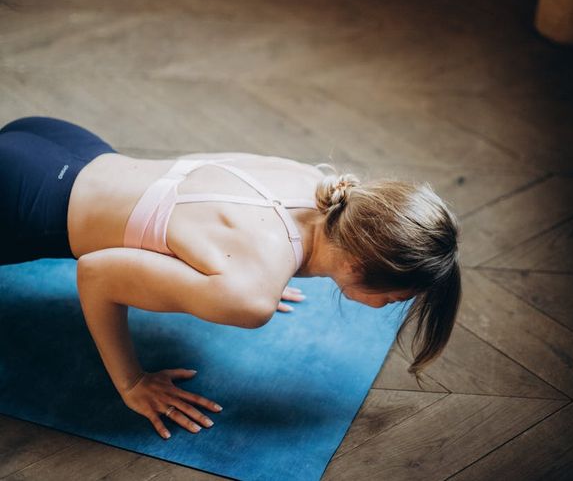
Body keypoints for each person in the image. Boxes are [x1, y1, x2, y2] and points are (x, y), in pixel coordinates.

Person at [0, 116, 461, 440]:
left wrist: (250, 276)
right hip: (19, 205)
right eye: (402, 296)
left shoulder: (318, 186)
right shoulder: (250, 295)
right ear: (359, 266)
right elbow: (96, 273)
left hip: (59, 142)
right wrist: (132, 383)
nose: (395, 306)